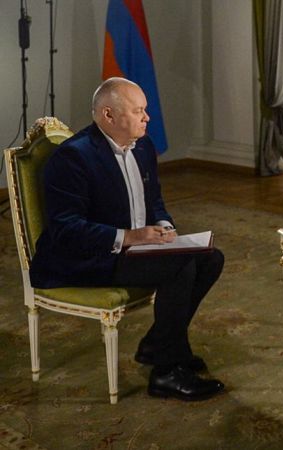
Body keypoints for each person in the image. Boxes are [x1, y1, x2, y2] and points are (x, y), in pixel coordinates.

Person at [30, 77, 225, 401]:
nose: (147, 117)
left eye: (145, 110)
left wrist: (164, 225)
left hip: (134, 248)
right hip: (89, 257)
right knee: (179, 268)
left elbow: (154, 201)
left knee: (210, 258)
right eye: (138, 111)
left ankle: (158, 344)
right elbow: (66, 229)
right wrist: (130, 237)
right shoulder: (73, 157)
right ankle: (165, 372)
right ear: (108, 115)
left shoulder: (143, 146)